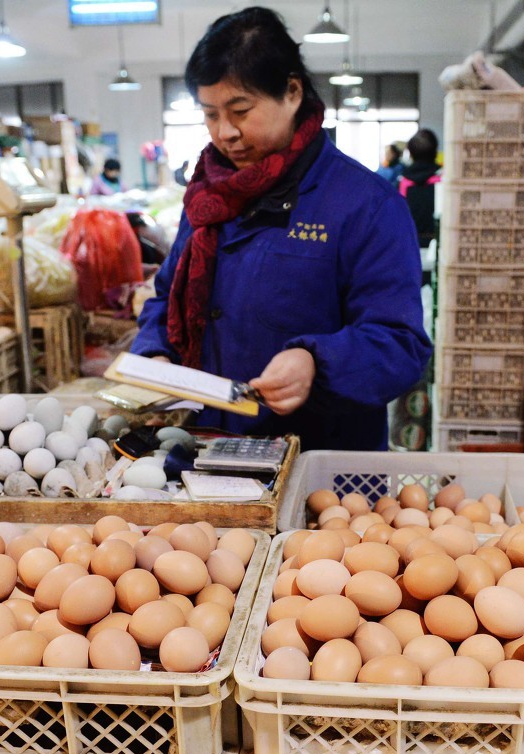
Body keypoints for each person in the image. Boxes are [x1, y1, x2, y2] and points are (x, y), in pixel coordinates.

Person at [131, 7, 430, 451]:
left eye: (240, 110)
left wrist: (315, 360)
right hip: (211, 451)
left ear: (292, 92)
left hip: (324, 466)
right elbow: (166, 293)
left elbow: (400, 343)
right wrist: (156, 355)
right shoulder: (208, 198)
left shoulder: (364, 204)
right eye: (210, 114)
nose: (224, 133)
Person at [399, 129, 441, 248]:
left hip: (409, 245)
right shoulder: (444, 181)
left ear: (411, 154)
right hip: (438, 244)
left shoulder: (402, 183)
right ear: (435, 152)